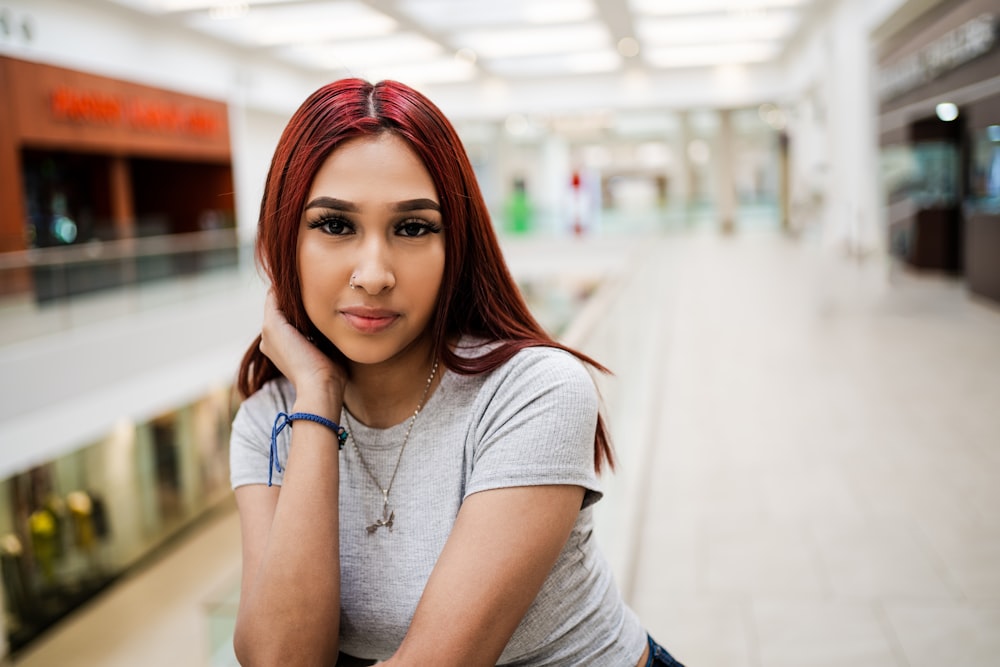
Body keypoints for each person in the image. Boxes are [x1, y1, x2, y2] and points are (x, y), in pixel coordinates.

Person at [229, 78, 685, 667]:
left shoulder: (535, 392)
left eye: (413, 228)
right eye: (336, 226)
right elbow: (280, 660)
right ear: (283, 240)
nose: (373, 275)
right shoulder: (268, 419)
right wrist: (317, 397)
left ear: (456, 246)